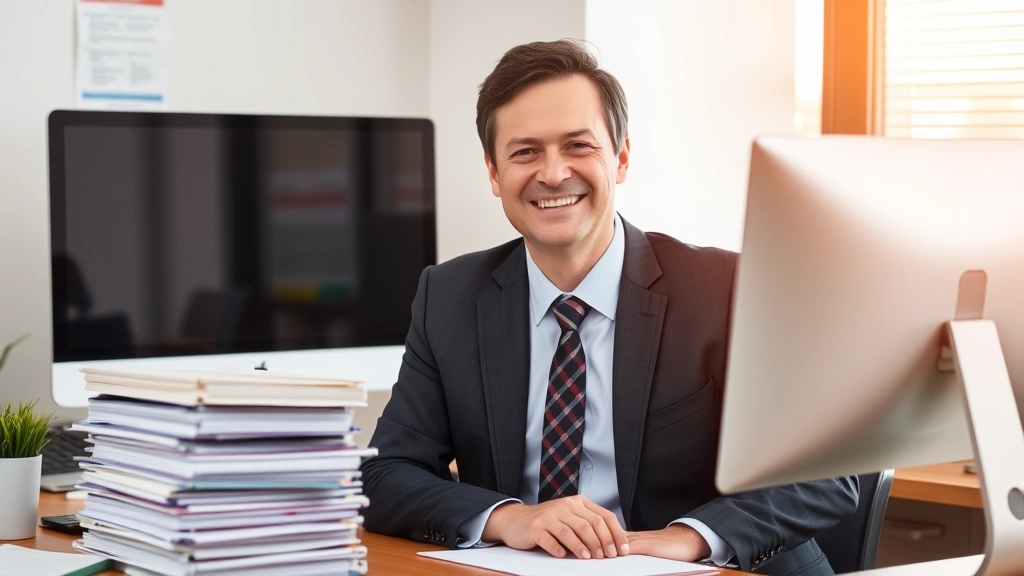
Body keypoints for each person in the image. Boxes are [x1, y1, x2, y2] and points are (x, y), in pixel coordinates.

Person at [360, 39, 857, 575]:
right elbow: (386, 473)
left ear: (620, 158)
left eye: (578, 145)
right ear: (494, 173)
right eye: (525, 152)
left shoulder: (728, 287)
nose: (553, 174)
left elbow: (825, 474)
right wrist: (510, 518)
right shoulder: (449, 296)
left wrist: (686, 538)